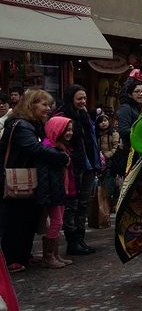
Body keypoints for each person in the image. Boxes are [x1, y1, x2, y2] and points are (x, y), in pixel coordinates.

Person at [0, 89, 69, 272]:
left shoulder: (30, 124)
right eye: (44, 104)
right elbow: (35, 149)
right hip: (17, 178)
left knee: (28, 219)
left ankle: (23, 255)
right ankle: (12, 258)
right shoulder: (21, 125)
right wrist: (60, 157)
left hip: (28, 178)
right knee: (16, 220)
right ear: (32, 105)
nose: (48, 108)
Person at [55, 84, 102, 256]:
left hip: (89, 164)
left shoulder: (85, 116)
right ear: (70, 99)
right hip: (73, 166)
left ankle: (80, 239)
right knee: (72, 205)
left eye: (84, 98)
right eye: (79, 99)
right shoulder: (63, 117)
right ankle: (72, 241)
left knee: (83, 204)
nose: (83, 102)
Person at [37, 116, 76, 268]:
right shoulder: (49, 148)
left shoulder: (59, 147)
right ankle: (49, 257)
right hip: (53, 192)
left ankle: (55, 254)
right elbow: (45, 176)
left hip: (60, 190)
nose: (69, 133)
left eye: (71, 130)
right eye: (66, 129)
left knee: (57, 223)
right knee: (57, 222)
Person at [115, 82, 142, 176]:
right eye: (137, 91)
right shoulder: (126, 108)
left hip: (141, 152)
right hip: (129, 154)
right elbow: (124, 131)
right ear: (130, 94)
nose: (141, 94)